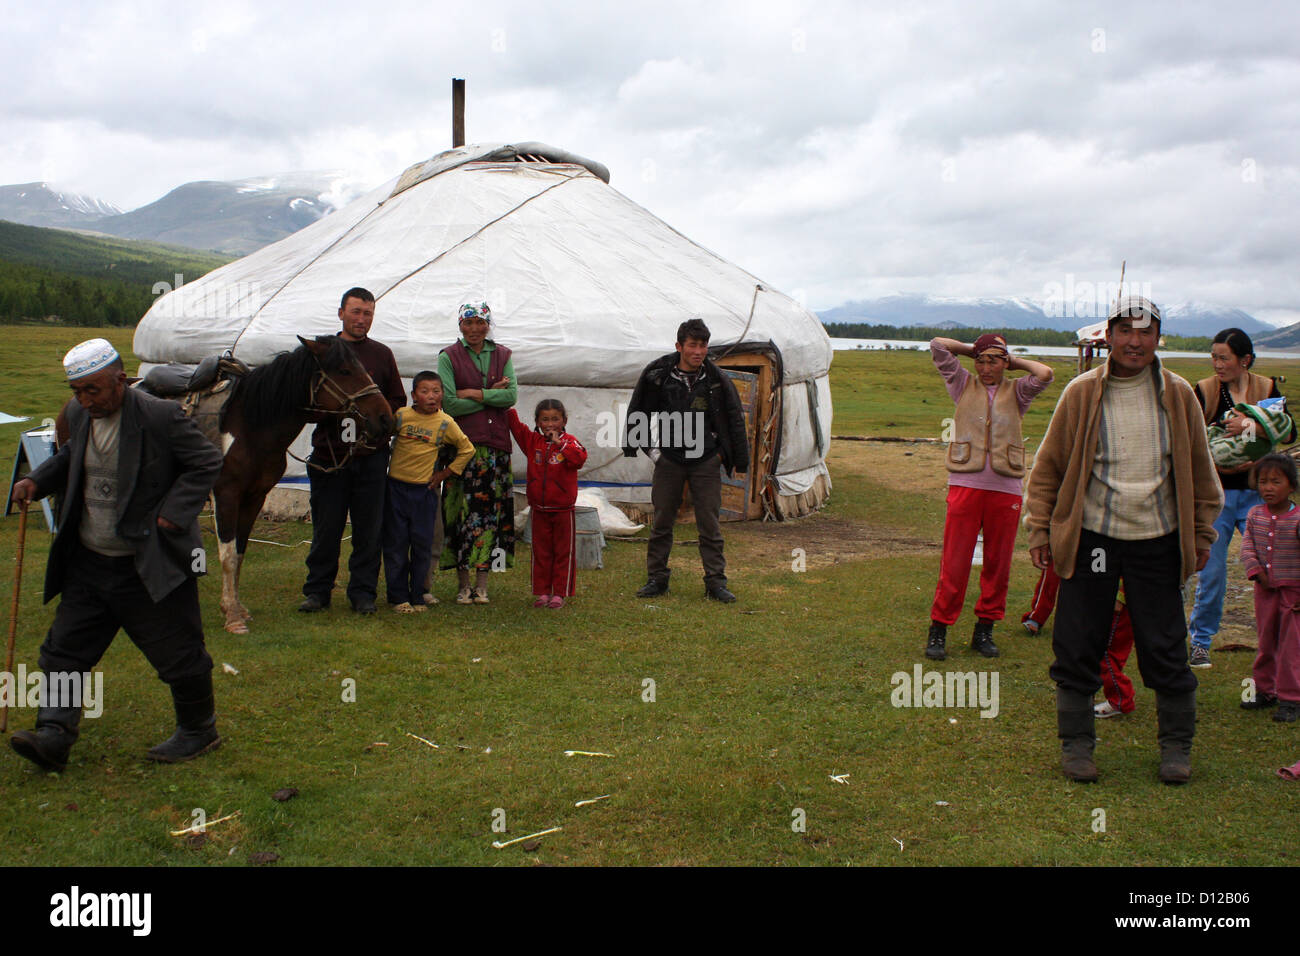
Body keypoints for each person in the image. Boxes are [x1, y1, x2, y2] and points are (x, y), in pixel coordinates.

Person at [1025, 296, 1222, 785]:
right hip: (1094, 537)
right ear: (1109, 335)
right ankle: (1076, 746)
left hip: (1157, 538)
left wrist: (1201, 534)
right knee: (1079, 639)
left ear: (1158, 338)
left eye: (1146, 332)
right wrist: (1040, 527)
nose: (1135, 341)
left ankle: (1176, 748)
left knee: (1166, 645)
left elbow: (1201, 470)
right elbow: (1049, 467)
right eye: (1125, 331)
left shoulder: (1178, 395)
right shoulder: (1081, 393)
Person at [9, 339, 224, 770]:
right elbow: (72, 455)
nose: (86, 400)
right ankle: (53, 734)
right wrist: (38, 480)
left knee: (179, 653)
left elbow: (206, 461)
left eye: (94, 390)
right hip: (90, 560)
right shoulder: (78, 414)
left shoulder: (159, 416)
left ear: (120, 379)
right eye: (77, 391)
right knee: (64, 651)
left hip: (147, 561)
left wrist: (172, 514)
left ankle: (199, 731)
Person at [925, 335, 1053, 659]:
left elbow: (1045, 374)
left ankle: (985, 630)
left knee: (998, 563)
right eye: (980, 361)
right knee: (955, 561)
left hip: (1005, 488)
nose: (985, 368)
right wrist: (974, 349)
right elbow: (938, 346)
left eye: (993, 361)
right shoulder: (961, 383)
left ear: (1005, 362)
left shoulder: (1018, 391)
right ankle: (939, 629)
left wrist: (1014, 360)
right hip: (965, 484)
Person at [1188, 328, 1295, 668]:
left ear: (1244, 359)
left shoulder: (1266, 388)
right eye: (1213, 357)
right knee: (1213, 571)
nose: (1217, 364)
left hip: (1259, 494)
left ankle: (1279, 645)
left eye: (1224, 358)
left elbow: (1289, 431)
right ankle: (1201, 642)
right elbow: (1191, 438)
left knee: (1275, 568)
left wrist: (1249, 428)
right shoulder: (1203, 391)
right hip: (1217, 494)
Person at [623, 318, 749, 603]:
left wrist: (726, 457)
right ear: (679, 346)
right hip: (670, 459)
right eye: (692, 345)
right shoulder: (658, 375)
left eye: (703, 345)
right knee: (663, 520)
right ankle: (657, 579)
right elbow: (638, 411)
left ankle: (715, 583)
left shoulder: (716, 380)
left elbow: (733, 419)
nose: (698, 351)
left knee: (709, 523)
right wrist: (653, 452)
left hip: (705, 459)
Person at [299, 288, 406, 615]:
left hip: (371, 456)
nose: (362, 319)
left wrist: (379, 420)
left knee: (368, 530)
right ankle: (318, 592)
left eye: (368, 313)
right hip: (329, 456)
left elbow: (397, 401)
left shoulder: (382, 354)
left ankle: (363, 594)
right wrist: (340, 412)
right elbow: (305, 403)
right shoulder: (320, 352)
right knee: (326, 528)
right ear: (341, 313)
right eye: (356, 311)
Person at [437, 302, 517, 605]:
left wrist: (471, 392)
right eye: (468, 323)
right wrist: (490, 396)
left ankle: (482, 585)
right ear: (460, 325)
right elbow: (449, 404)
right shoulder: (448, 357)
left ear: (488, 325)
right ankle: (463, 584)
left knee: (490, 516)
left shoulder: (503, 355)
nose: (474, 329)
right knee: (459, 514)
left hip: (495, 449)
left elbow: (510, 396)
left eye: (479, 323)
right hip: (462, 447)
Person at [382, 373, 474, 613]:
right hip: (396, 489)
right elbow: (381, 437)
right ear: (414, 395)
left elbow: (467, 449)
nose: (431, 397)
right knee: (396, 545)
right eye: (424, 391)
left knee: (422, 544)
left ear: (442, 394)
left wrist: (444, 474)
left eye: (436, 391)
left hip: (424, 492)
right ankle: (398, 597)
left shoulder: (446, 423)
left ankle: (418, 595)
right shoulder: (401, 417)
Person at [508, 400, 588, 608]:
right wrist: (504, 400)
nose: (550, 424)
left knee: (563, 552)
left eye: (555, 419)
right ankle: (543, 592)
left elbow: (579, 459)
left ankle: (560, 593)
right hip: (539, 509)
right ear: (537, 421)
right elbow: (516, 428)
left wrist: (559, 443)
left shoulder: (570, 443)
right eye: (545, 419)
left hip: (563, 510)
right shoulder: (532, 441)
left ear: (564, 421)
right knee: (541, 552)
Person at [1239, 453, 1300, 723]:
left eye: (1276, 481)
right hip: (1265, 592)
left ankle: (1291, 698)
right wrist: (1255, 570)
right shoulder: (1254, 515)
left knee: (1291, 646)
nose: (1268, 487)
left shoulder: (1298, 519)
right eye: (1263, 481)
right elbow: (1246, 546)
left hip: (1293, 594)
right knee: (1266, 641)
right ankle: (1264, 690)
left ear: (1292, 486)